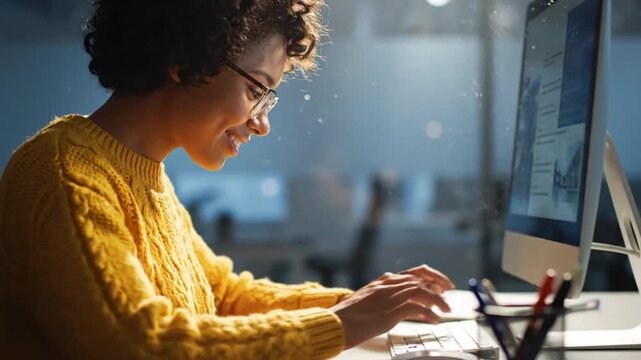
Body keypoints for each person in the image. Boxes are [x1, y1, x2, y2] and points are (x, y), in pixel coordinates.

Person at [0, 0, 455, 359]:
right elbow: (138, 344)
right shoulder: (65, 172)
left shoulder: (143, 175)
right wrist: (342, 323)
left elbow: (225, 295)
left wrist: (366, 304)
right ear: (185, 59)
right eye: (255, 90)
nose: (262, 123)